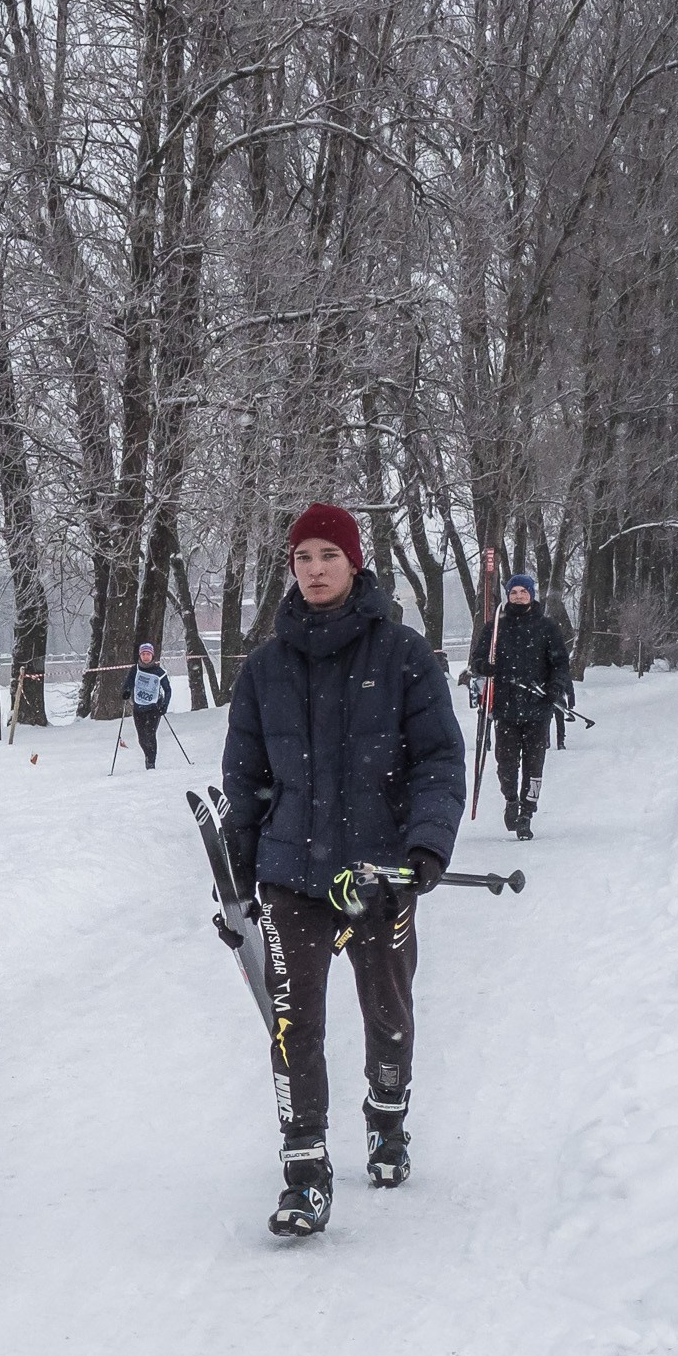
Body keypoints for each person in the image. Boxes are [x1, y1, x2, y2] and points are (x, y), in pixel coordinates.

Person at [223, 502, 467, 1236]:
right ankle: (305, 1169)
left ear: (354, 563)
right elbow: (247, 776)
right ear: (291, 570)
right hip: (291, 875)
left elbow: (439, 760)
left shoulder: (403, 654)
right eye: (304, 557)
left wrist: (424, 847)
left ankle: (387, 1118)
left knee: (386, 1008)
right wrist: (240, 863)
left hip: (378, 873)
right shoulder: (264, 668)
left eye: (329, 554)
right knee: (293, 1021)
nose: (316, 568)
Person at [468, 573, 574, 839]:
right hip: (505, 708)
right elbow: (477, 661)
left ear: (531, 594)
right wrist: (484, 667)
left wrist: (554, 688)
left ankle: (528, 811)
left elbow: (560, 664)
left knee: (534, 765)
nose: (518, 597)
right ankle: (511, 799)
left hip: (538, 709)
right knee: (505, 763)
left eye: (523, 592)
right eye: (513, 592)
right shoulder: (494, 628)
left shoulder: (546, 627)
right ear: (507, 595)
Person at [130, 639, 173, 768]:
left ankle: (151, 762)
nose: (146, 657)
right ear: (140, 655)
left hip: (154, 708)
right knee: (141, 738)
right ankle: (148, 755)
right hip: (138, 708)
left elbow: (168, 690)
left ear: (152, 655)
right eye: (143, 654)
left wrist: (165, 705)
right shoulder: (135, 670)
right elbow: (128, 684)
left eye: (148, 654)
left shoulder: (159, 672)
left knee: (150, 733)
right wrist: (126, 692)